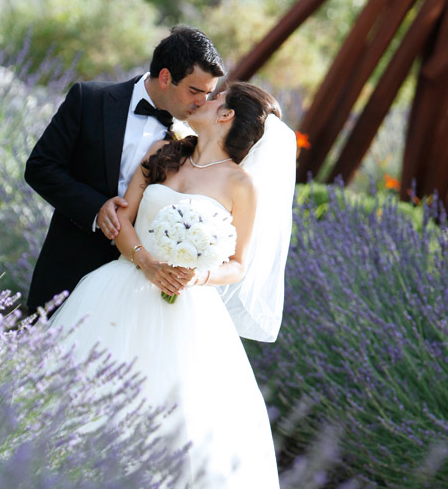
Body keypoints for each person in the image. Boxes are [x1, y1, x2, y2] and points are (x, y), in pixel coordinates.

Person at [46, 82, 296, 488]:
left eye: (215, 98)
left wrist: (200, 275)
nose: (202, 100)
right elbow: (122, 221)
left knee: (169, 422)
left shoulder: (240, 185)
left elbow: (237, 266)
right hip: (119, 287)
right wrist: (144, 259)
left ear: (225, 115)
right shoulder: (163, 154)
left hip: (188, 308)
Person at [24, 26, 225, 312]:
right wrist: (95, 208)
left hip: (143, 289)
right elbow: (40, 167)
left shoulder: (195, 134)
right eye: (195, 91)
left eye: (208, 94)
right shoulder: (89, 100)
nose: (201, 103)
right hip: (71, 264)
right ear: (166, 77)